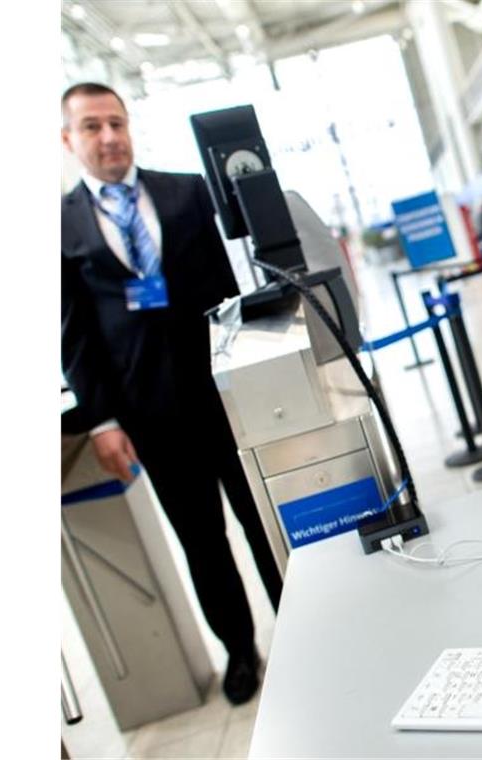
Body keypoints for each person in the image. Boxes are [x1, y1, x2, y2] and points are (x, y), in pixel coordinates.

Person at [60, 82, 282, 705]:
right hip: (149, 413)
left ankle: (295, 625)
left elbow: (231, 291)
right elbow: (74, 334)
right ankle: (241, 650)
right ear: (68, 140)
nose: (108, 137)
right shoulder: (60, 226)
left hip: (224, 394)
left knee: (261, 520)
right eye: (92, 127)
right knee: (202, 542)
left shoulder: (188, 193)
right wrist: (102, 422)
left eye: (116, 123)